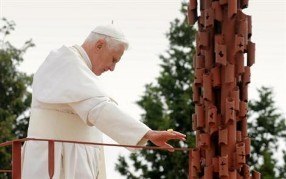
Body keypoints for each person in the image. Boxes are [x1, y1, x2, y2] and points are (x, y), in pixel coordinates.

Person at [21, 24, 186, 179]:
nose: (112, 68)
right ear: (99, 45)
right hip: (56, 160)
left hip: (73, 157)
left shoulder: (79, 67)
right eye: (114, 59)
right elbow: (98, 108)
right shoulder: (66, 61)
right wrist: (149, 134)